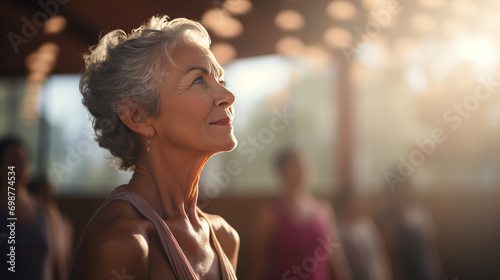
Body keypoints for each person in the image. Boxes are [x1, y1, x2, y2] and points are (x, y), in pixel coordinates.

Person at [69, 15, 239, 280]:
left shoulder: (224, 238)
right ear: (138, 117)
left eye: (221, 80)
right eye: (198, 81)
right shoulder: (122, 244)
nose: (228, 97)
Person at [249, 148, 351, 280]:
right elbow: (258, 263)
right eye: (296, 166)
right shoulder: (269, 213)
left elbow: (335, 257)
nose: (302, 171)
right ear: (282, 171)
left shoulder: (323, 210)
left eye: (306, 166)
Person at [0, 137, 57, 280]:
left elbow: (55, 263)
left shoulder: (44, 208)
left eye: (24, 159)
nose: (20, 164)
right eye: (14, 158)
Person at [378, 178, 443, 280]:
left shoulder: (422, 214)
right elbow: (389, 255)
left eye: (411, 187)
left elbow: (430, 248)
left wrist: (434, 270)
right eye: (406, 188)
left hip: (425, 271)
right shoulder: (390, 218)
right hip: (405, 273)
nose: (411, 190)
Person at [334, 188, 392, 280]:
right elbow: (340, 263)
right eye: (356, 200)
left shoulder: (368, 224)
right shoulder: (340, 230)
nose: (360, 203)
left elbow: (381, 253)